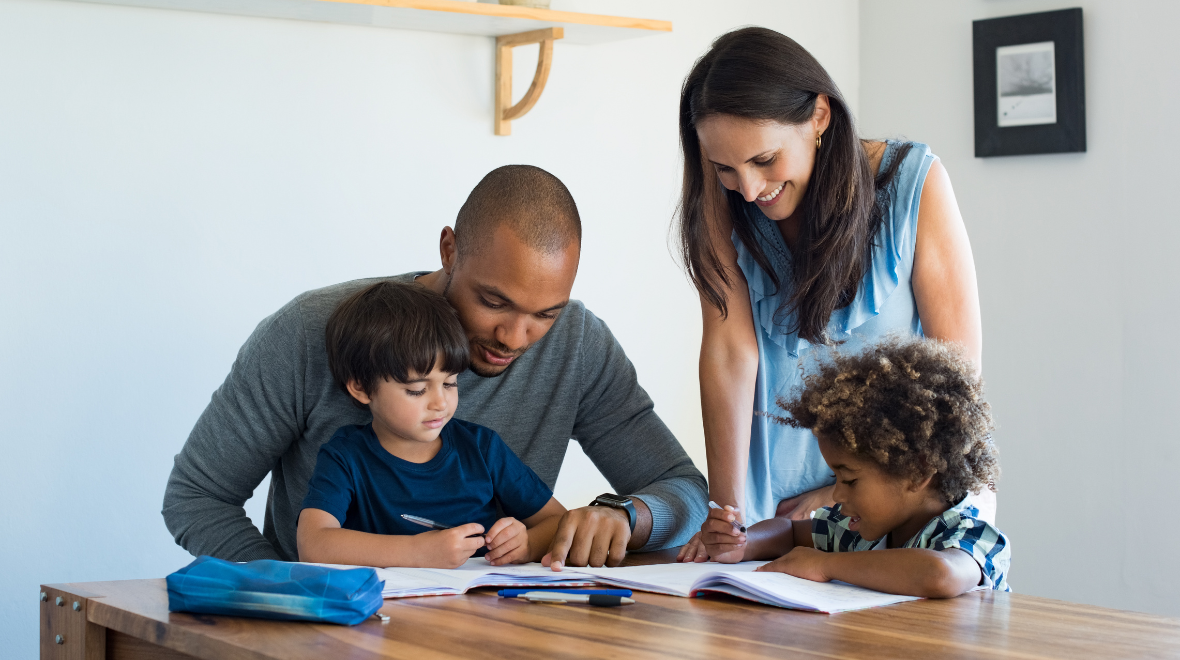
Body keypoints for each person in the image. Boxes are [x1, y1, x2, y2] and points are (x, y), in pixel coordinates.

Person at [163, 165, 707, 568]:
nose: (515, 338)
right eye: (494, 302)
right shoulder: (310, 332)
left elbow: (683, 489)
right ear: (449, 249)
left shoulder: (578, 344)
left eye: (545, 314)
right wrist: (290, 593)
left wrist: (626, 516)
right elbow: (196, 497)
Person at [674, 27, 987, 562]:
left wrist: (840, 495)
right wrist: (726, 514)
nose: (749, 189)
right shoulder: (722, 203)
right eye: (725, 168)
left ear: (819, 116)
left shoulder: (914, 184)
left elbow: (955, 380)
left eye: (764, 160)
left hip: (897, 509)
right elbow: (730, 354)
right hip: (768, 515)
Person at [701, 337, 1010, 596]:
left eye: (849, 480)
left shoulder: (970, 533)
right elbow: (790, 533)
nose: (836, 495)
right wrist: (744, 543)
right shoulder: (859, 530)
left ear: (918, 471)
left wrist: (824, 565)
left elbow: (939, 574)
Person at [297, 282, 566, 569]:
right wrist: (417, 552)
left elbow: (559, 521)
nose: (440, 403)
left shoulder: (481, 448)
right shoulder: (345, 456)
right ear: (362, 388)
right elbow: (314, 544)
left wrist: (527, 544)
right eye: (417, 389)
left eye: (450, 383)